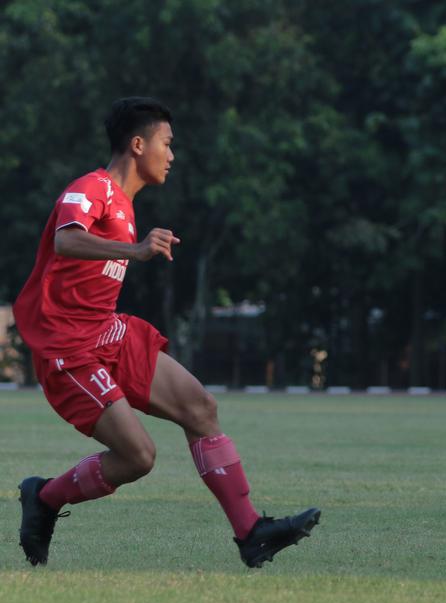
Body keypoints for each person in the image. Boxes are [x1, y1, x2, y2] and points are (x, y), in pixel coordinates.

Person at [14, 97, 320, 568]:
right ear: (138, 145)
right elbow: (65, 238)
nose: (172, 154)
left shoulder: (125, 204)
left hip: (107, 332)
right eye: (166, 143)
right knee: (138, 457)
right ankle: (46, 498)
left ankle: (251, 532)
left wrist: (134, 247)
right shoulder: (91, 187)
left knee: (201, 407)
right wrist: (136, 251)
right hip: (68, 348)